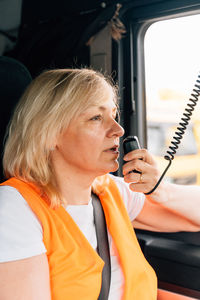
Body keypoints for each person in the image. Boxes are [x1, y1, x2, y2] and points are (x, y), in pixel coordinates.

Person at [0, 68, 200, 300]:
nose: (118, 130)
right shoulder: (15, 209)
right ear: (49, 133)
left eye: (114, 115)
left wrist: (161, 190)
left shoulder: (110, 191)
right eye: (96, 117)